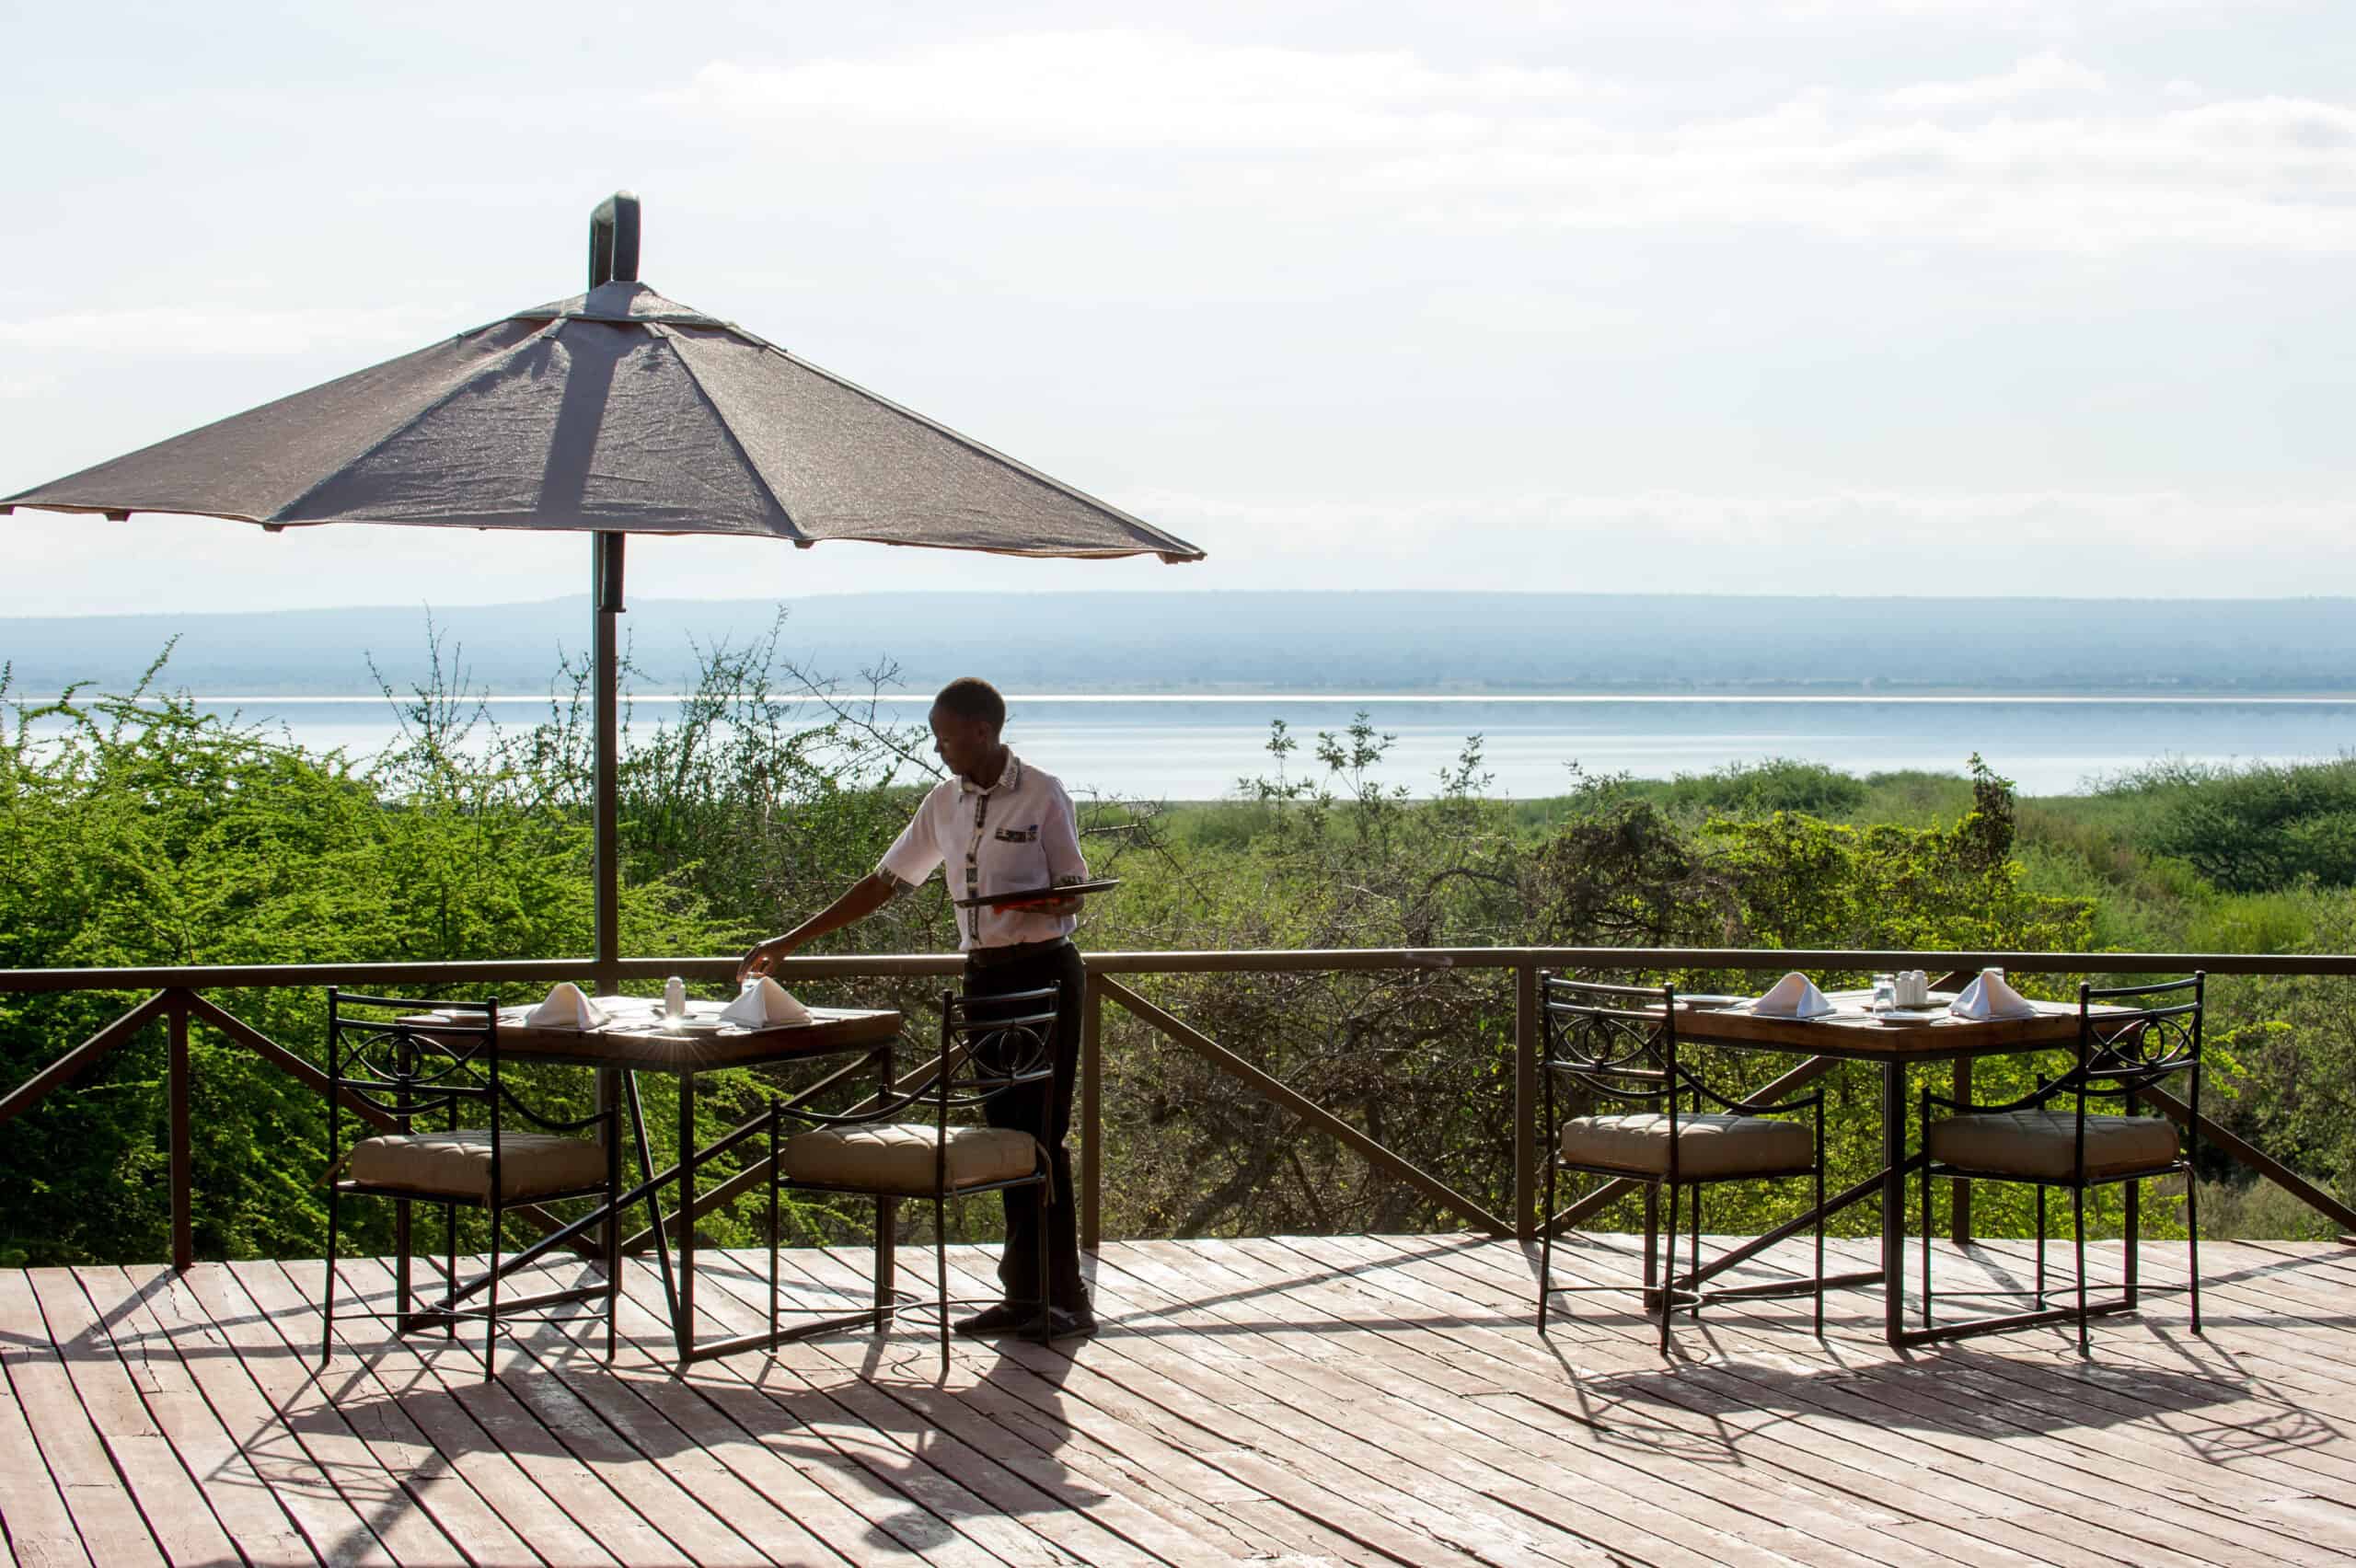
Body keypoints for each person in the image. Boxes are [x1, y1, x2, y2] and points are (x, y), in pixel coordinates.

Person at [738, 676, 1095, 1340]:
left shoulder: (1043, 792)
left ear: (981, 731)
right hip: (985, 978)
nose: (938, 749)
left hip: (1045, 975)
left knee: (1042, 1135)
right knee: (1005, 1138)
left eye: (946, 736)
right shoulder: (941, 803)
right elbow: (886, 882)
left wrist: (1049, 904)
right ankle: (1025, 1296)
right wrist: (792, 940)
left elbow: (1073, 890)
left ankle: (1064, 1297)